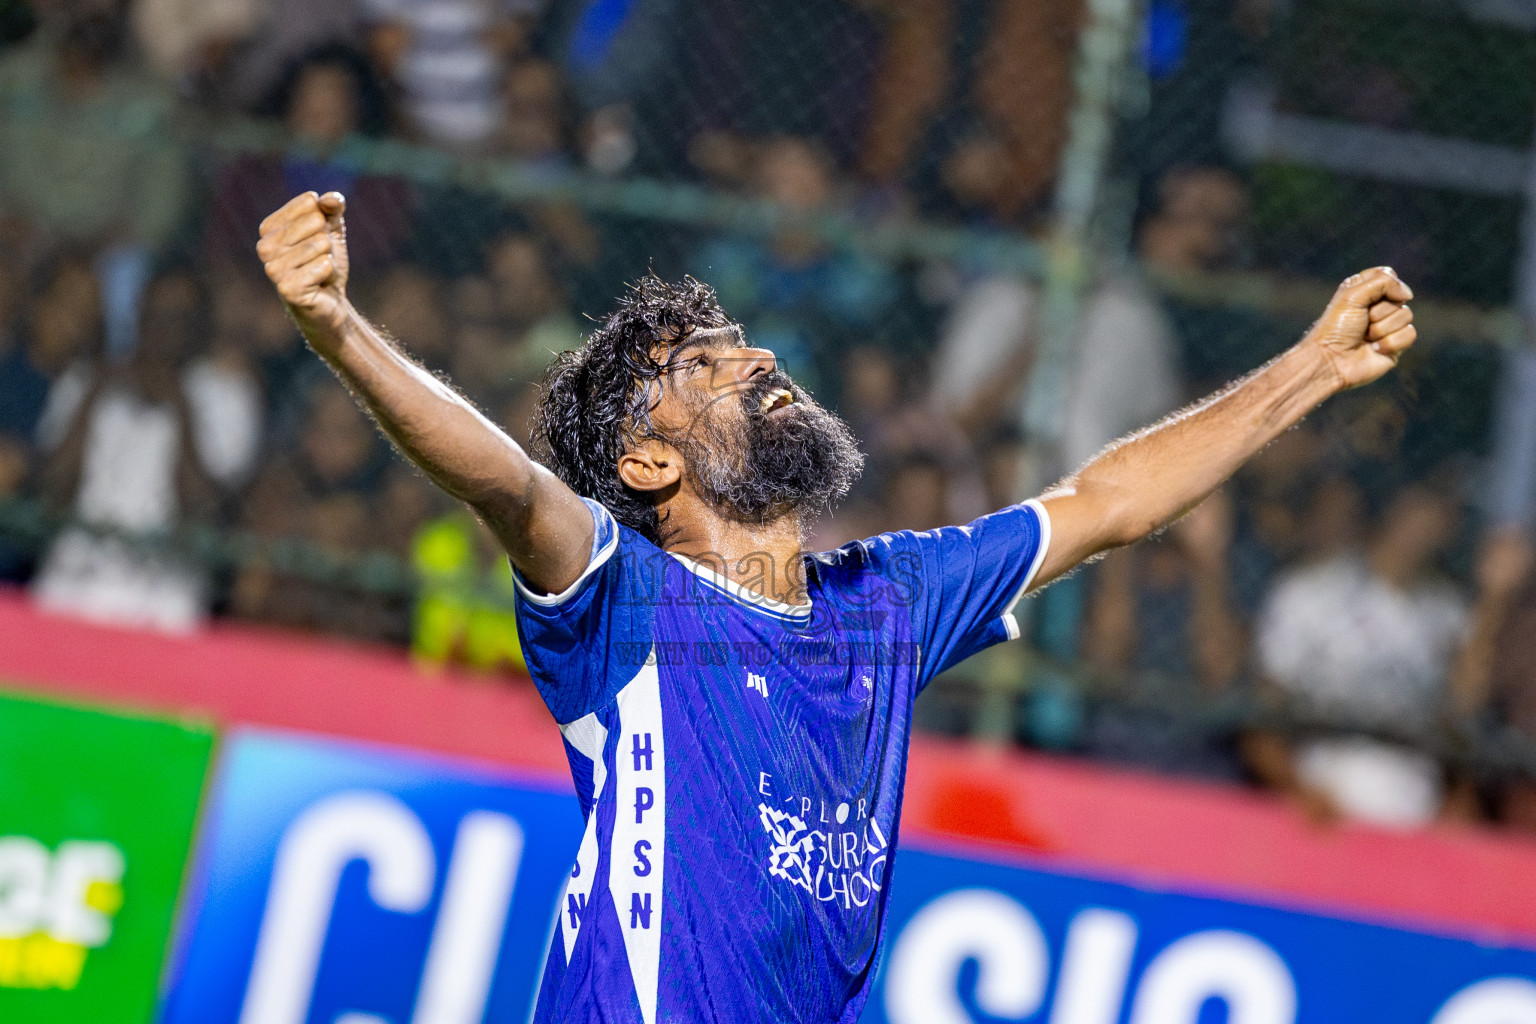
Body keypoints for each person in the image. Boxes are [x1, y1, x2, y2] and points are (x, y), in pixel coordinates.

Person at [257, 189, 1415, 1024]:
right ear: (648, 466)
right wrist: (338, 328)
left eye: (741, 342)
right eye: (702, 368)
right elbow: (505, 478)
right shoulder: (624, 604)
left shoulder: (888, 603)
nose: (755, 357)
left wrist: (1311, 365)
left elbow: (1106, 501)